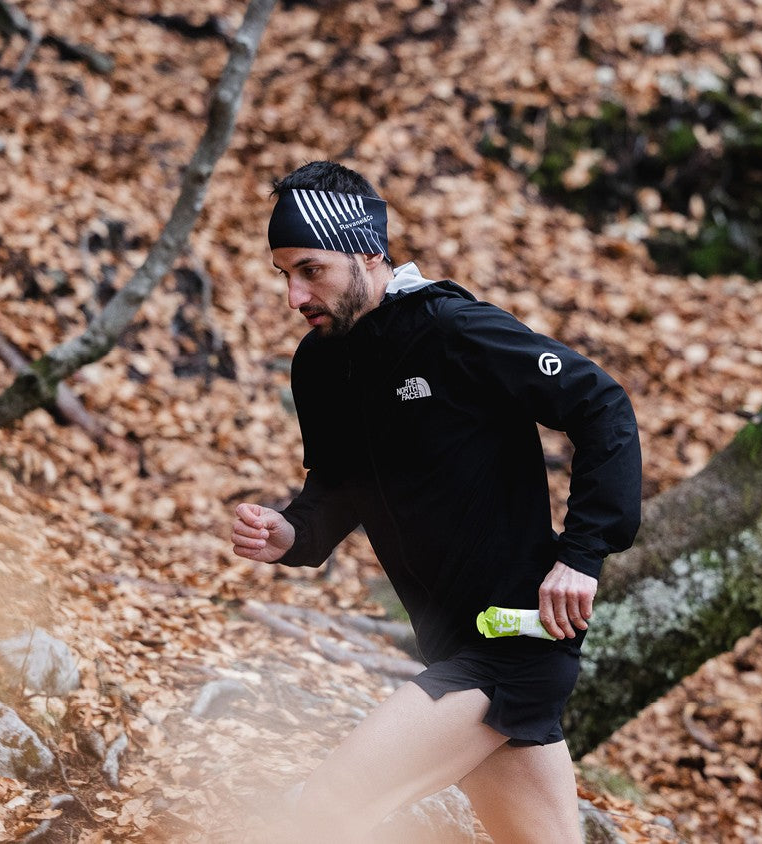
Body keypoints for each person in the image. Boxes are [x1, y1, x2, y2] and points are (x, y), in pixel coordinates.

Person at [229, 161, 642, 841]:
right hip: (449, 643)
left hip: (513, 644)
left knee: (330, 807)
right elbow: (336, 488)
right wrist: (290, 533)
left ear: (367, 250)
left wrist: (583, 553)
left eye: (311, 269)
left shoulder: (452, 330)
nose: (296, 294)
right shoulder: (321, 365)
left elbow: (600, 403)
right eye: (285, 275)